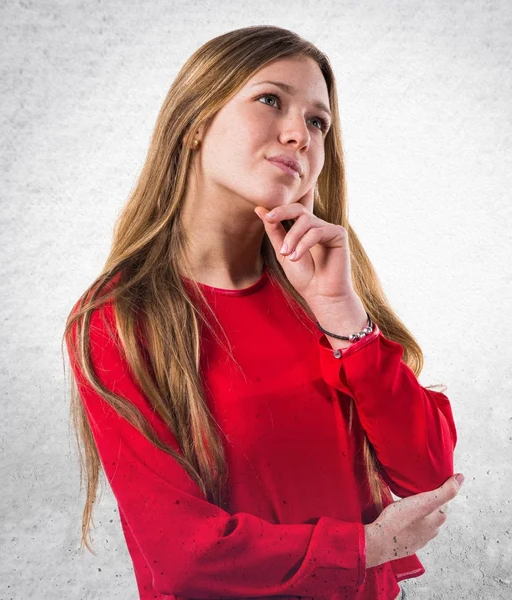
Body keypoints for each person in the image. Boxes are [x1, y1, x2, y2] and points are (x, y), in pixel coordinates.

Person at [63, 25, 462, 600]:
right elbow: (182, 555)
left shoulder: (325, 284)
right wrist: (367, 547)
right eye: (271, 100)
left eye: (319, 121)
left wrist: (342, 312)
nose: (300, 133)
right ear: (197, 121)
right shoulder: (117, 321)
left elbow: (427, 476)